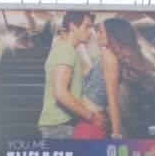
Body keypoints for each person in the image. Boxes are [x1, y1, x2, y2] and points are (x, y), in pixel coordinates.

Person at [74, 17, 155, 140]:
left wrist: (117, 137)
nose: (97, 35)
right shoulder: (109, 54)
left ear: (112, 36)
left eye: (101, 31)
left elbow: (112, 100)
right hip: (90, 118)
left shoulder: (109, 56)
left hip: (91, 125)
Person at [38, 11, 105, 139]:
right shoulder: (66, 49)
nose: (91, 31)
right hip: (60, 128)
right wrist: (92, 117)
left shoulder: (64, 47)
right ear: (73, 26)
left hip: (58, 127)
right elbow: (60, 93)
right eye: (87, 26)